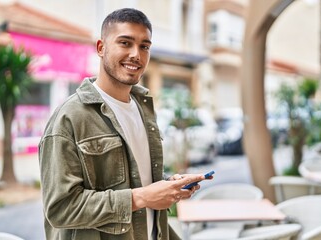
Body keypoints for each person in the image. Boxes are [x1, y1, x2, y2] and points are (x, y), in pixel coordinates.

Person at [39, 8, 209, 240]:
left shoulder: (144, 108)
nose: (136, 55)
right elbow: (60, 209)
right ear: (101, 48)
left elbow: (137, 182)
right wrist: (141, 197)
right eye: (125, 43)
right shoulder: (69, 118)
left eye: (144, 46)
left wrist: (167, 187)